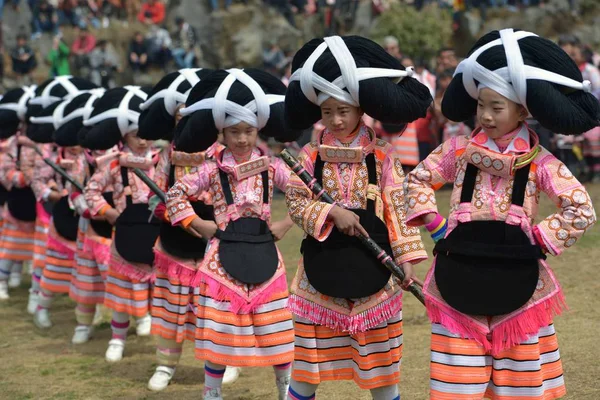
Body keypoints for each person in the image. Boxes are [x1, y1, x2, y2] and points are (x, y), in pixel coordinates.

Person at [405, 28, 598, 400]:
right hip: (456, 276)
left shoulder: (539, 161)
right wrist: (436, 224)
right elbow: (414, 183)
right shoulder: (458, 150)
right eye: (481, 106)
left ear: (522, 110)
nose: (486, 116)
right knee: (457, 385)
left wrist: (538, 240)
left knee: (519, 386)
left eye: (497, 108)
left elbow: (581, 207)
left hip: (519, 283)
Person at [284, 35, 432, 400]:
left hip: (375, 271)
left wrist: (408, 257)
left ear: (360, 109)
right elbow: (295, 201)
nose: (335, 119)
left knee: (382, 374)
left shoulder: (382, 155)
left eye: (344, 110)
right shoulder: (309, 155)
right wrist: (332, 211)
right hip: (320, 272)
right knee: (306, 371)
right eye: (327, 111)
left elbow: (397, 205)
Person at [166, 68, 303, 400]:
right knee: (221, 333)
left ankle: (285, 389)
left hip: (265, 253)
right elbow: (174, 194)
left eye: (248, 131)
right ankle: (212, 392)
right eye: (234, 132)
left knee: (277, 331)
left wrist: (284, 225)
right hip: (221, 259)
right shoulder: (210, 169)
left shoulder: (273, 166)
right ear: (221, 133)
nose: (242, 139)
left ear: (258, 130)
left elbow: (306, 193)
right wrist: (197, 224)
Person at [82, 86, 158, 363]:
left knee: (157, 289)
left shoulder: (161, 162)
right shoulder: (113, 164)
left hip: (155, 235)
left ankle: (150, 324)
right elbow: (90, 191)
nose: (141, 142)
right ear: (124, 134)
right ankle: (117, 339)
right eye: (135, 136)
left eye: (146, 135)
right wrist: (109, 212)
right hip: (123, 235)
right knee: (120, 295)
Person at [0, 86, 38, 301]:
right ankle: (2, 281)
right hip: (16, 198)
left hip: (34, 200)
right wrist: (20, 178)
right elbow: (4, 170)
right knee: (10, 247)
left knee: (33, 247)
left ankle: (27, 280)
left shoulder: (41, 144)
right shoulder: (12, 144)